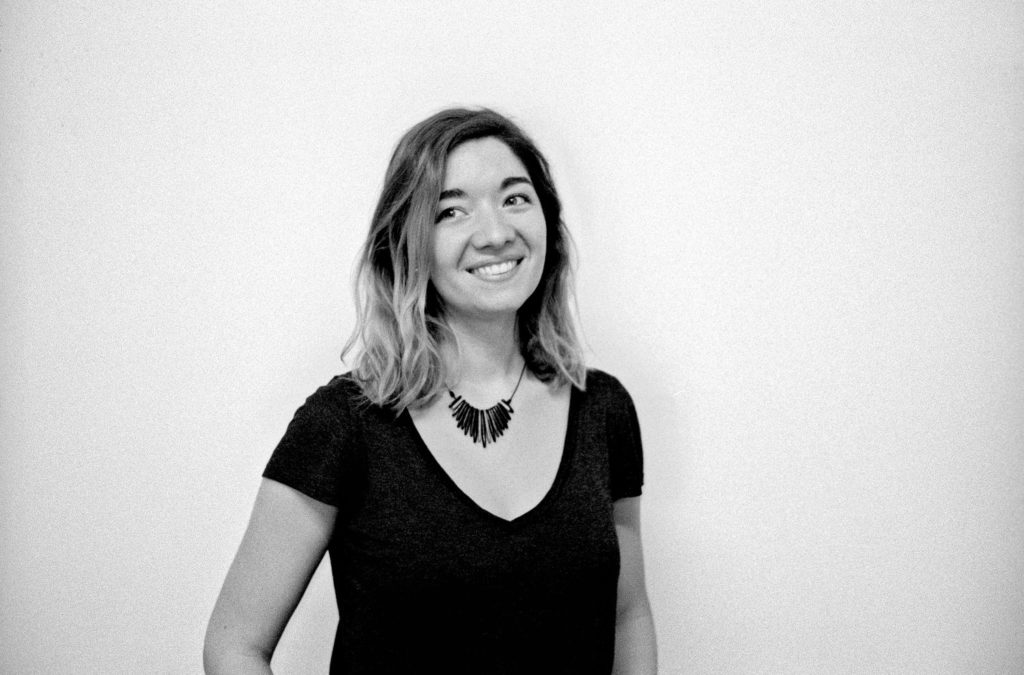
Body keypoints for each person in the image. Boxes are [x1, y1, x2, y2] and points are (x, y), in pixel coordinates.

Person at [204, 108, 657, 674]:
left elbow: (628, 615)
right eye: (451, 210)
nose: (495, 234)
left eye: (515, 199)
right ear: (406, 242)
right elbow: (235, 644)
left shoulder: (603, 410)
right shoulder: (344, 424)